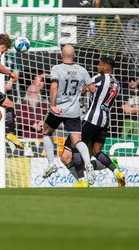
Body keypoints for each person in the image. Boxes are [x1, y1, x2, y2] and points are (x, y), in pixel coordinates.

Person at [61, 56, 125, 188]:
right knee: (97, 152)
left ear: (106, 68)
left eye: (99, 65)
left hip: (90, 119)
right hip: (105, 121)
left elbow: (84, 90)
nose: (97, 67)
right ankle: (117, 172)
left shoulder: (98, 78)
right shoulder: (117, 83)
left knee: (75, 146)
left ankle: (82, 181)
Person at [41, 45, 96, 184]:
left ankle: (51, 163)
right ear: (75, 55)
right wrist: (81, 89)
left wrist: (52, 105)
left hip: (58, 109)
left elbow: (54, 86)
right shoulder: (82, 70)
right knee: (77, 140)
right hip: (74, 110)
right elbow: (93, 89)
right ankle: (88, 164)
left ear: (61, 55)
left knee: (47, 131)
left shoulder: (57, 68)